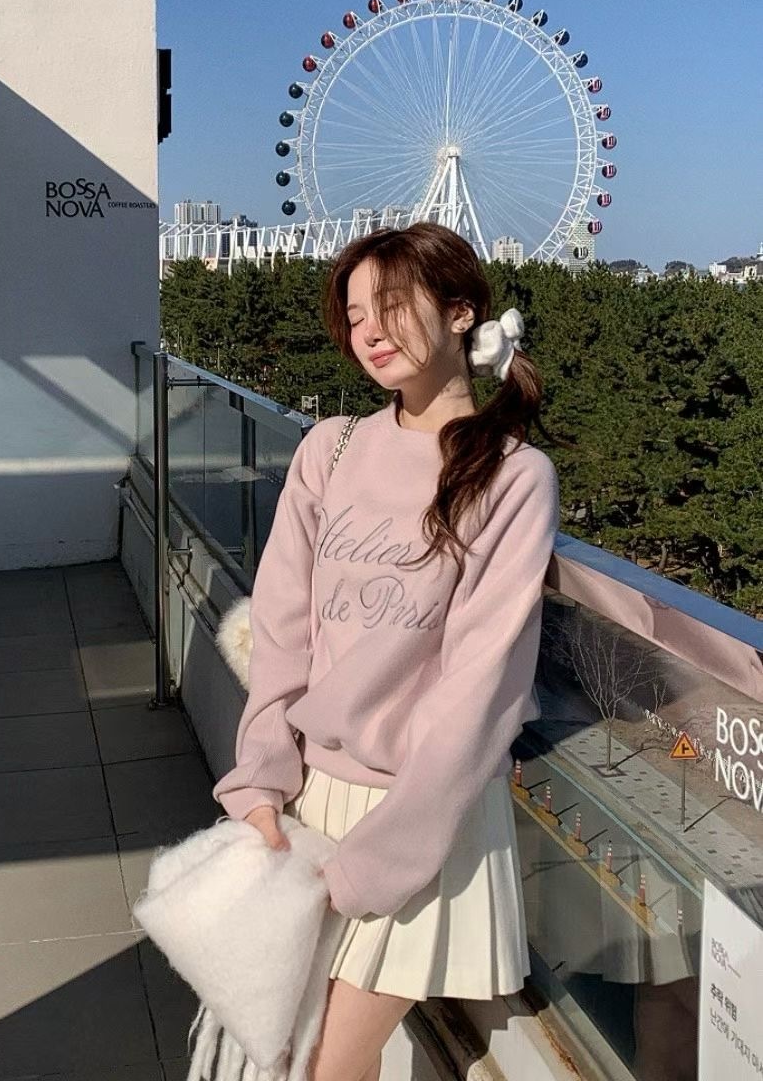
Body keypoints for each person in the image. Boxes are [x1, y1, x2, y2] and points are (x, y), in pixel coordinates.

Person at [212, 222, 561, 1081]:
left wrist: (378, 860)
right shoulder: (330, 448)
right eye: (356, 313)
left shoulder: (513, 477)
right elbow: (283, 630)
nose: (368, 331)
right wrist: (259, 783)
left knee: (323, 1062)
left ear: (460, 312)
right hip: (307, 803)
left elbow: (480, 692)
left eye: (392, 306)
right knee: (293, 1048)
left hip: (420, 816)